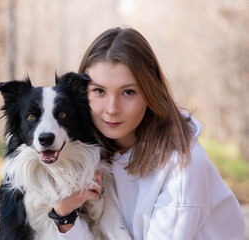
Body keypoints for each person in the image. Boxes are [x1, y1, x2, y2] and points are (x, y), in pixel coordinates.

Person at [52, 26, 245, 239]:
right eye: (99, 91)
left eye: (128, 92)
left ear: (150, 93)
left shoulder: (181, 168)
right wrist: (65, 216)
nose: (112, 109)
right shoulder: (87, 156)